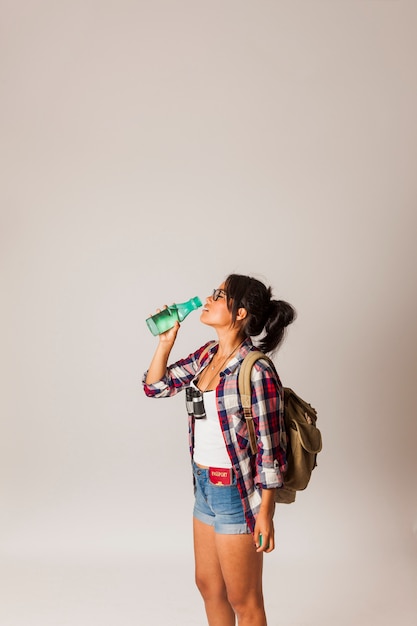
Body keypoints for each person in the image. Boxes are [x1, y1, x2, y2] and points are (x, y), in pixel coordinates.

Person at [142, 273, 296, 626]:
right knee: (209, 586)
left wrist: (266, 513)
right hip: (204, 488)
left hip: (235, 492)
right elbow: (156, 387)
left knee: (245, 599)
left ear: (240, 313)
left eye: (220, 295)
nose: (208, 299)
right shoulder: (207, 355)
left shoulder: (256, 369)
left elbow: (273, 451)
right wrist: (166, 341)